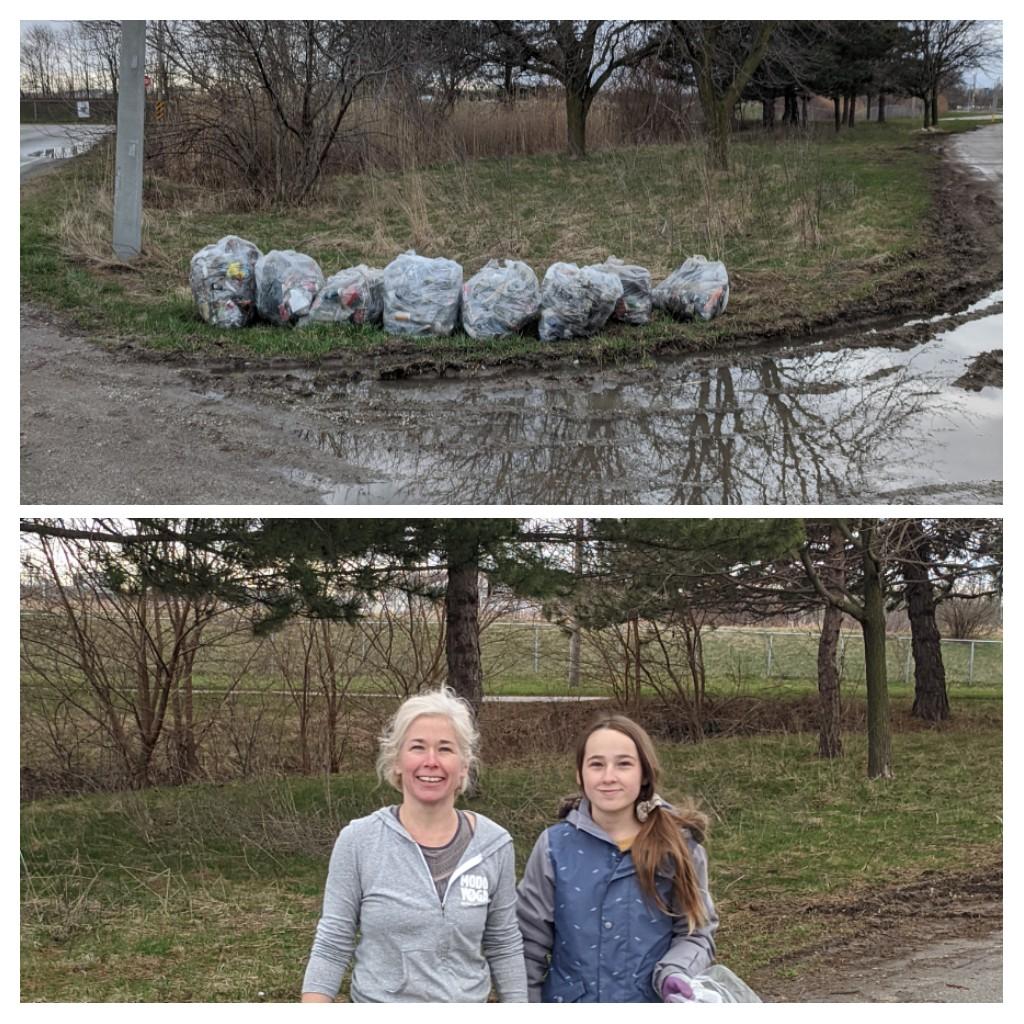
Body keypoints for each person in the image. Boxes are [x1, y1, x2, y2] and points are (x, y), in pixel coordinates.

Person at [301, 688, 528, 1003]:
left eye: (445, 749)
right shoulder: (358, 841)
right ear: (397, 761)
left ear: (464, 765)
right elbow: (332, 943)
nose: (431, 761)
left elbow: (504, 945)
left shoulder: (494, 845)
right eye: (418, 747)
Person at [516, 713, 718, 1003]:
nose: (609, 777)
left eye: (624, 764)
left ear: (644, 773)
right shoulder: (554, 847)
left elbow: (695, 932)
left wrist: (676, 972)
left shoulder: (678, 846)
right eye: (596, 764)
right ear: (579, 774)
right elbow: (528, 944)